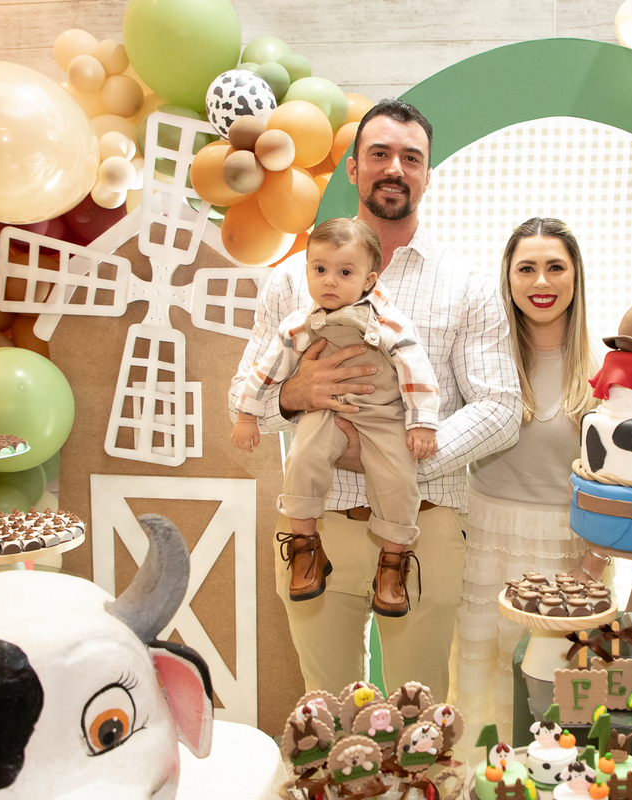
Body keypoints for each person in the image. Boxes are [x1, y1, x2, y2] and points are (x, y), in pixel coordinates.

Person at [228, 99, 520, 701]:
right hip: (315, 528)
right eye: (379, 154)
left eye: (411, 158)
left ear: (427, 175)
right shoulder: (291, 279)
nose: (395, 168)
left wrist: (395, 456)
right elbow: (242, 394)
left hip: (424, 529)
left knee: (420, 715)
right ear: (353, 169)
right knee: (326, 713)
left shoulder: (466, 283)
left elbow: (500, 408)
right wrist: (296, 394)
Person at [232, 217, 439, 617]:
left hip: (382, 416)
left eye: (345, 273)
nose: (330, 281)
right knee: (302, 459)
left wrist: (422, 423)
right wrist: (246, 415)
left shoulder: (388, 321)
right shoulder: (298, 324)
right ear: (307, 269)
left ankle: (393, 561)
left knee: (398, 478)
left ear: (368, 280)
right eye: (320, 269)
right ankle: (305, 546)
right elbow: (266, 371)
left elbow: (416, 370)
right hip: (326, 409)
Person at [454, 217, 603, 743]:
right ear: (508, 277)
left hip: (571, 549)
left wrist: (594, 564)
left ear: (575, 276)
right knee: (484, 678)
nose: (541, 282)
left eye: (555, 267)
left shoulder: (605, 368)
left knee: (556, 690)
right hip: (483, 540)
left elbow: (617, 480)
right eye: (527, 269)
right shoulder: (480, 360)